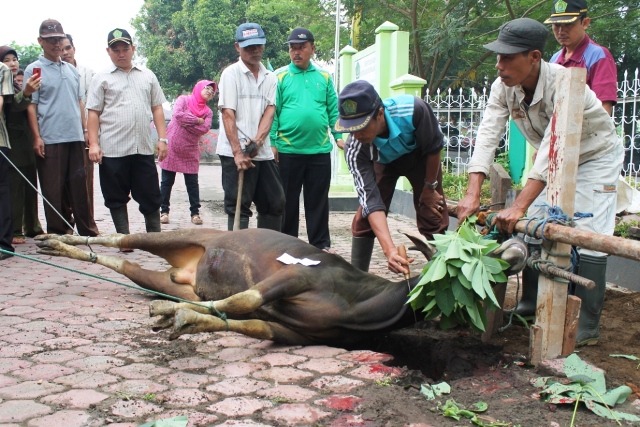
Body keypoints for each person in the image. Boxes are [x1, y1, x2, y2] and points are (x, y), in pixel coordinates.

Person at [456, 18, 623, 346]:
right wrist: (472, 192)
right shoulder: (502, 86)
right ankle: (531, 303)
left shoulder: (564, 82)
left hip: (594, 157)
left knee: (590, 235)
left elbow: (553, 145)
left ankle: (587, 325)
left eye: (507, 58)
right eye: (497, 57)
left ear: (534, 57)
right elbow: (488, 134)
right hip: (552, 161)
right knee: (534, 225)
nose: (499, 65)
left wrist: (518, 206)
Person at [335, 80, 449, 274]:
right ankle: (356, 280)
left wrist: (430, 188)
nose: (357, 135)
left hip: (421, 157)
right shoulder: (355, 148)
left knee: (432, 212)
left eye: (362, 127)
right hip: (383, 161)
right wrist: (390, 251)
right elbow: (371, 200)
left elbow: (434, 147)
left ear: (380, 113)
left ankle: (442, 276)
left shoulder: (414, 110)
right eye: (352, 129)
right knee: (364, 217)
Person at [86, 28, 168, 238]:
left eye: (125, 49)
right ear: (108, 51)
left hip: (141, 147)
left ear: (133, 49)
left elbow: (157, 107)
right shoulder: (101, 78)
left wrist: (162, 139)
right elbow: (93, 112)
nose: (121, 54)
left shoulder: (147, 76)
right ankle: (124, 237)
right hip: (113, 148)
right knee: (115, 195)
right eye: (116, 50)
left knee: (150, 193)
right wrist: (94, 144)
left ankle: (154, 238)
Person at [24, 19, 99, 237]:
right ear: (40, 41)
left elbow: (80, 102)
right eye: (50, 40)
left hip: (75, 136)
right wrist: (36, 137)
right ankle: (59, 232)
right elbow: (31, 105)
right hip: (50, 137)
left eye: (59, 39)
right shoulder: (34, 70)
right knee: (53, 190)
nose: (56, 44)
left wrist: (85, 131)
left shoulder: (71, 70)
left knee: (79, 188)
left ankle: (88, 231)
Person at [270, 28, 342, 252]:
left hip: (319, 150)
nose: (296, 52)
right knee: (287, 202)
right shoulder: (279, 77)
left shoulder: (324, 77)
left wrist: (338, 136)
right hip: (288, 150)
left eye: (301, 47)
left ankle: (320, 246)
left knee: (318, 201)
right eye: (292, 48)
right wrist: (272, 142)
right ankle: (286, 246)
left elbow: (333, 110)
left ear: (312, 48)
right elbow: (273, 112)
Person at [216, 22, 284, 231]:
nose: (255, 50)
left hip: (260, 151)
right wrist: (238, 152)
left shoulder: (270, 77)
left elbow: (270, 111)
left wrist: (257, 142)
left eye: (258, 45)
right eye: (248, 47)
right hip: (233, 151)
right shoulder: (231, 74)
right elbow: (228, 113)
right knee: (238, 206)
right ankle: (238, 255)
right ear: (238, 47)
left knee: (275, 202)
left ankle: (266, 252)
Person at [0, 46, 44, 244]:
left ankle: (33, 226)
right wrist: (26, 92)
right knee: (14, 186)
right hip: (10, 140)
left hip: (25, 140)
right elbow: (13, 105)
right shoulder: (7, 84)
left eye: (14, 59)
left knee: (30, 184)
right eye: (7, 60)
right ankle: (16, 229)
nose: (12, 63)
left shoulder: (16, 83)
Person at [158, 80, 216, 225]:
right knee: (166, 182)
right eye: (207, 88)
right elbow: (177, 115)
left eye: (212, 91)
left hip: (190, 150)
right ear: (197, 88)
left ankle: (195, 214)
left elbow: (204, 129)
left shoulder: (208, 112)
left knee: (192, 184)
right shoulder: (183, 100)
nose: (210, 91)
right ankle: (163, 212)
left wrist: (186, 123)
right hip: (172, 148)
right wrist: (197, 120)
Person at [545, 0, 617, 115]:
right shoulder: (554, 59)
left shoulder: (598, 56)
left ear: (585, 23)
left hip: (588, 130)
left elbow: (604, 109)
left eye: (568, 24)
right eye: (556, 25)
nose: (560, 31)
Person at [61, 33, 97, 218]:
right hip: (62, 134)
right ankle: (66, 222)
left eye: (68, 48)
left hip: (85, 135)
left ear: (74, 49)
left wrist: (91, 135)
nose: (65, 52)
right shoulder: (55, 72)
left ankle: (87, 221)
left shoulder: (88, 73)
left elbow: (94, 106)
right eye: (62, 48)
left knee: (85, 179)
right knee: (63, 181)